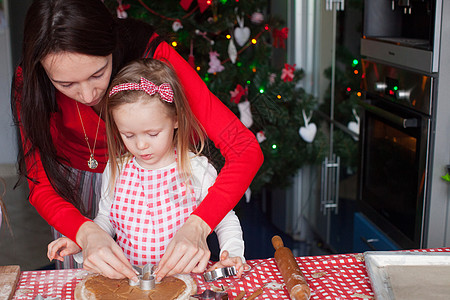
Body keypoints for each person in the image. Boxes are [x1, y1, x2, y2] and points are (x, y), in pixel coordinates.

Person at [11, 0, 263, 282]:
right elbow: (39, 183)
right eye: (65, 84)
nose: (86, 95)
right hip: (69, 187)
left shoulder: (153, 58)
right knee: (87, 282)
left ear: (112, 46)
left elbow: (245, 149)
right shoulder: (30, 81)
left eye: (97, 73)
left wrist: (198, 224)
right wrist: (83, 231)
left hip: (154, 171)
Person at [47, 59, 249, 278]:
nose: (141, 145)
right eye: (129, 135)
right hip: (131, 282)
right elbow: (107, 219)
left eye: (152, 134)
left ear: (175, 120)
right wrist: (82, 241)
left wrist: (233, 253)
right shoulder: (117, 169)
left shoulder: (197, 169)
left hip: (188, 279)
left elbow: (224, 219)